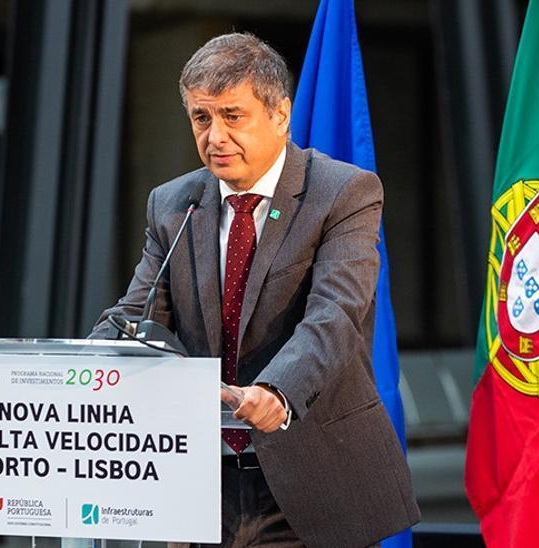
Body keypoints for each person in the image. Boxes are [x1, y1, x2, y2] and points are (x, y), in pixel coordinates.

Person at [89, 33, 419, 548]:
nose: (215, 136)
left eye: (232, 116)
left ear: (280, 115)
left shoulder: (344, 192)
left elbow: (335, 315)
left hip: (308, 473)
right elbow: (137, 313)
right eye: (202, 118)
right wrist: (78, 364)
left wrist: (276, 392)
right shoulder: (173, 203)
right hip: (201, 479)